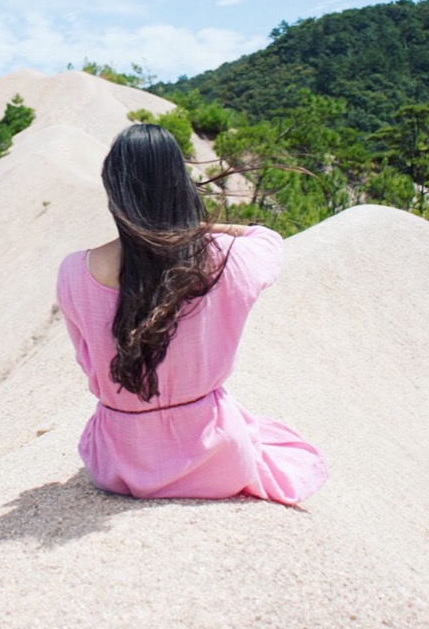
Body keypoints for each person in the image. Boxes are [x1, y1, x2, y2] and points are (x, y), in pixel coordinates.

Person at [55, 122, 327, 504]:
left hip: (117, 463)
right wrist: (197, 228)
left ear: (113, 190)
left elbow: (88, 361)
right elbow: (266, 238)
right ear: (179, 184)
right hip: (216, 456)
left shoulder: (73, 271)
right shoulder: (225, 257)